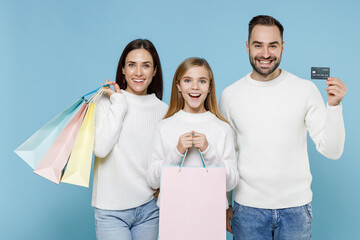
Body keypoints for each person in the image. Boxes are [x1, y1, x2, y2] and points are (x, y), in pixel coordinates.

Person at [220, 15, 347, 240]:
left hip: (296, 211)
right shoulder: (230, 95)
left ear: (283, 47)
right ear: (248, 46)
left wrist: (334, 107)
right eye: (258, 45)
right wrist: (224, 205)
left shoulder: (305, 90)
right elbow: (227, 156)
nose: (266, 54)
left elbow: (332, 150)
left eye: (273, 45)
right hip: (247, 210)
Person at [92, 39, 168, 240]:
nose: (138, 72)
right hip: (111, 211)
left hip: (149, 209)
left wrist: (164, 186)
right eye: (132, 65)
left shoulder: (164, 111)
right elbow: (100, 149)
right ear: (123, 69)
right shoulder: (106, 101)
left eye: (146, 65)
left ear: (154, 71)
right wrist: (119, 104)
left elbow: (165, 158)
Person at [147, 57, 239, 206]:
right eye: (187, 80)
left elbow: (230, 183)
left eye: (202, 81)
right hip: (173, 212)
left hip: (211, 211)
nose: (195, 87)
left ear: (210, 87)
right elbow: (152, 180)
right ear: (178, 85)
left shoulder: (222, 128)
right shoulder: (164, 126)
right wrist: (176, 152)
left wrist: (209, 152)